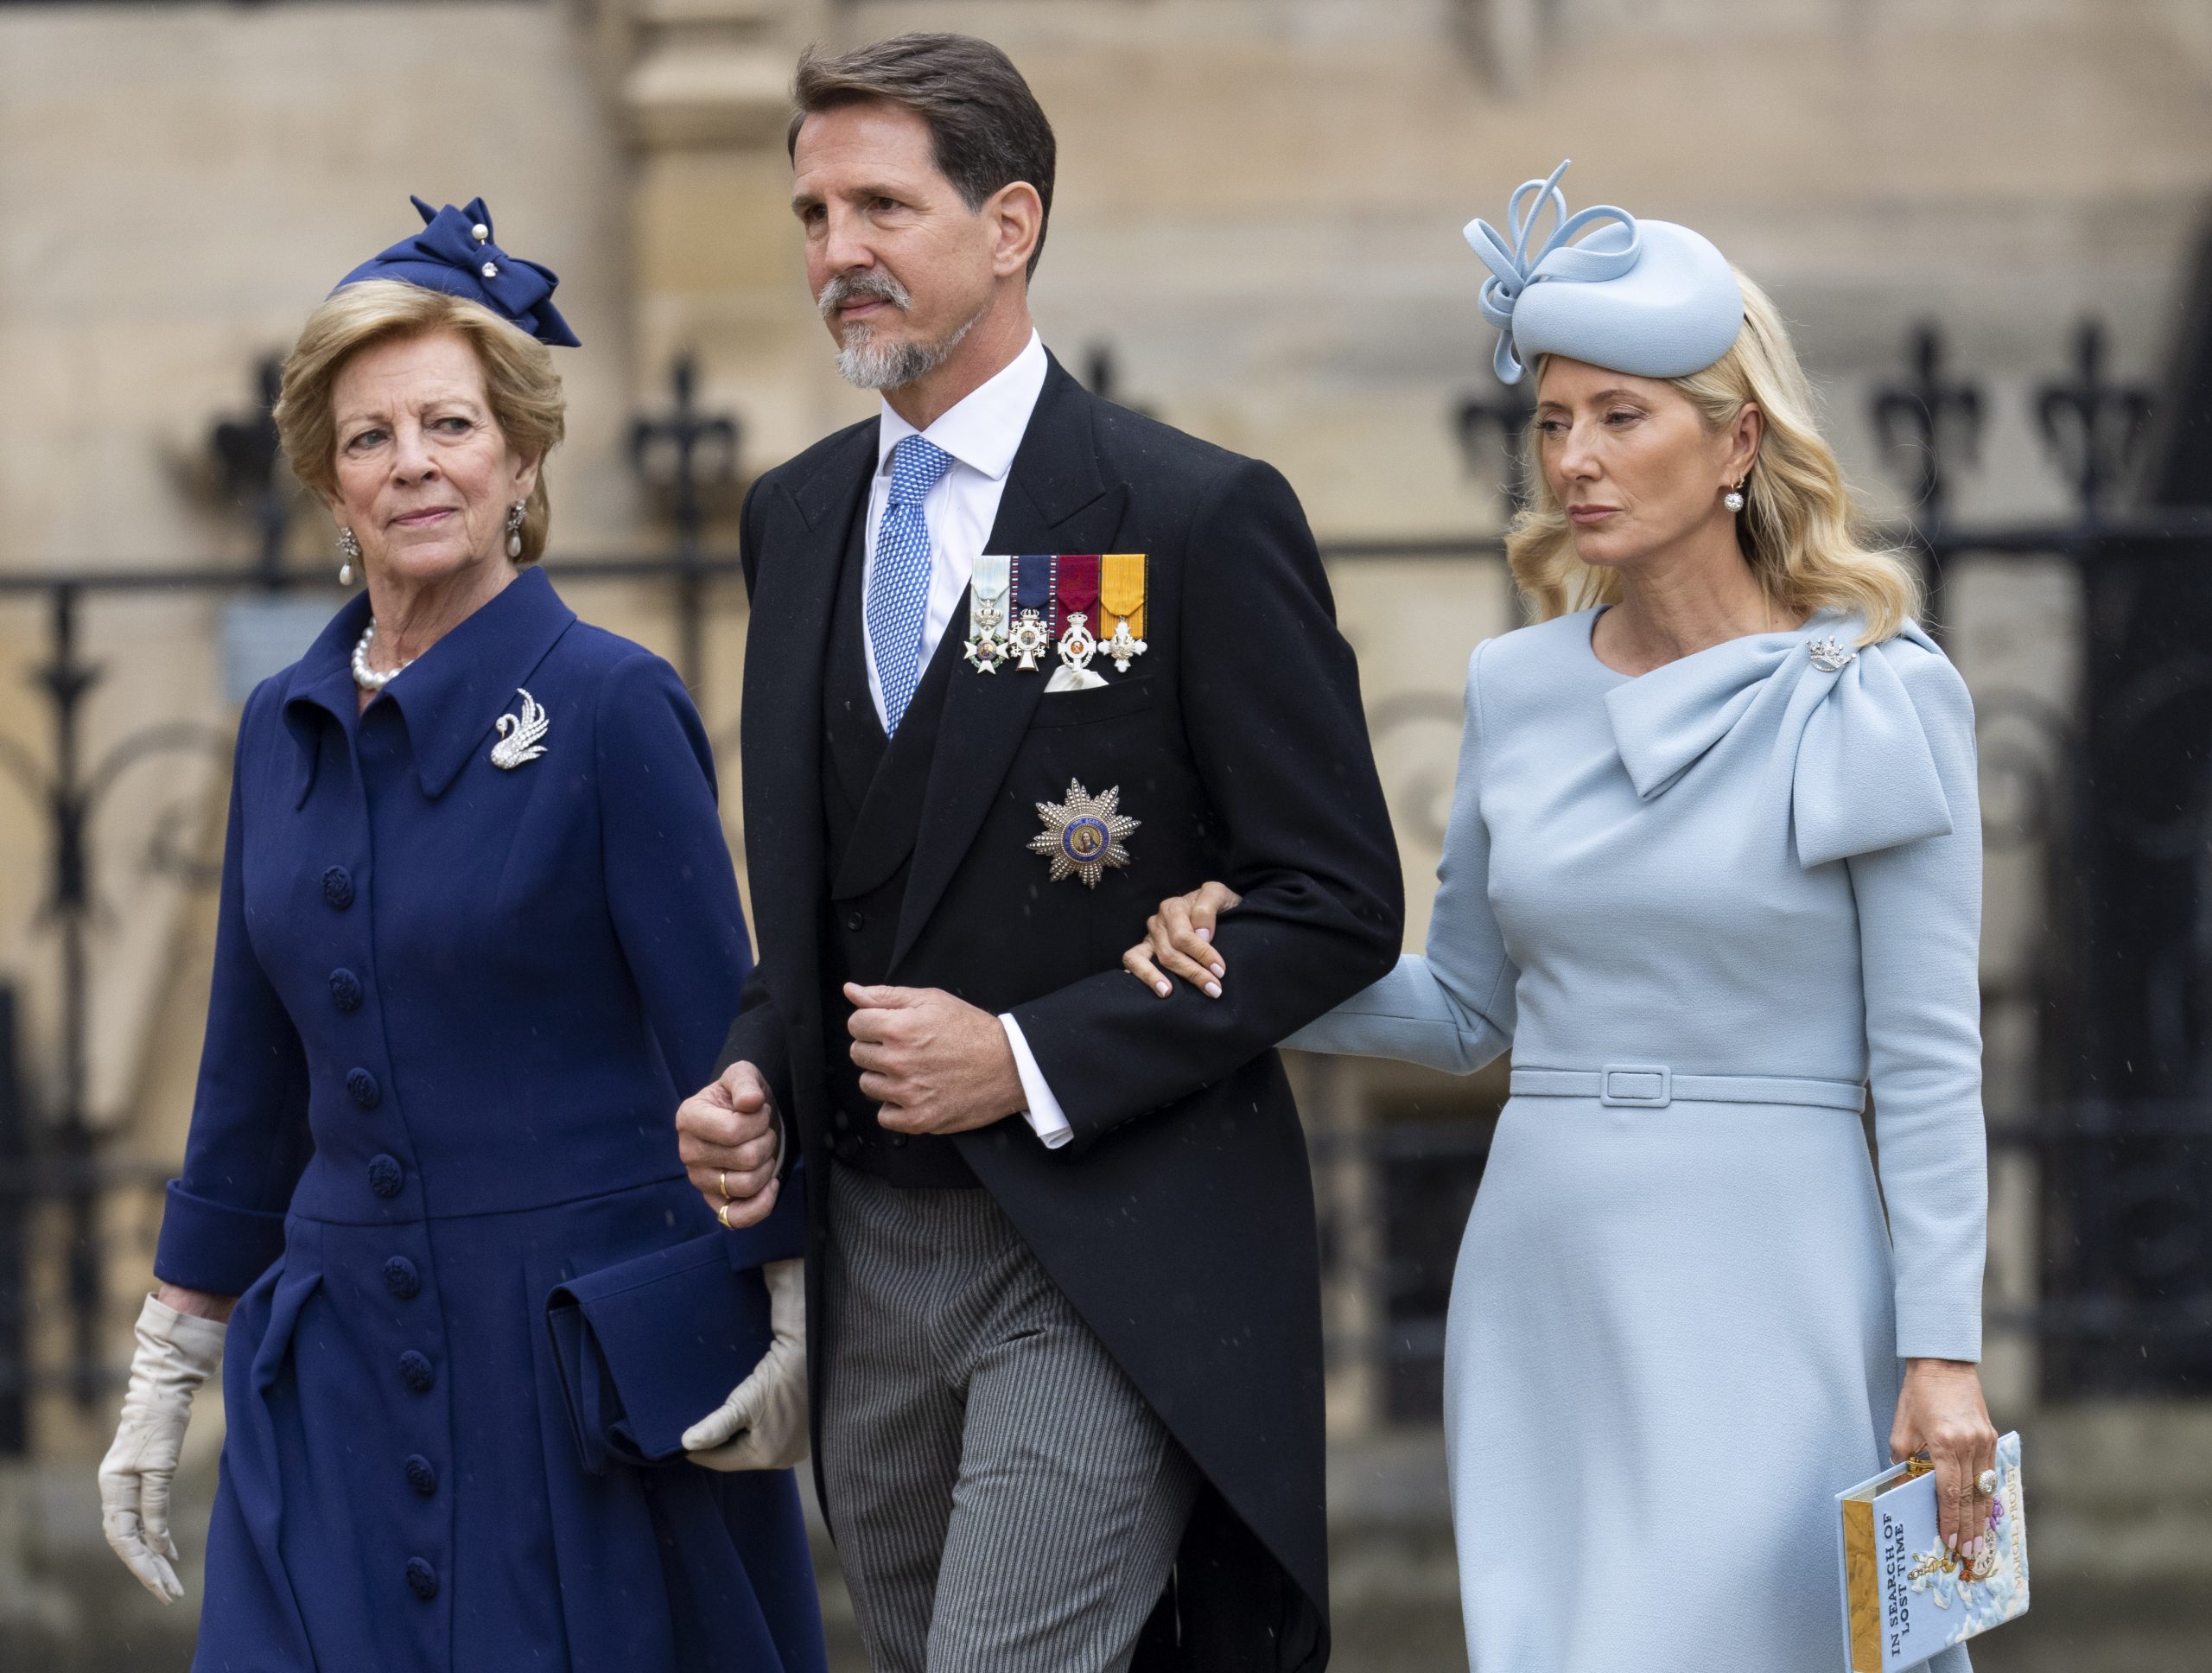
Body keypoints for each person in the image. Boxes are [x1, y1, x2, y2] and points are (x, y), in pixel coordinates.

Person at [1126, 162, 1999, 1673]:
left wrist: (1945, 1355)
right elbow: (1466, 1011)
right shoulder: (1516, 686)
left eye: (1620, 416)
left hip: (1778, 1268)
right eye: (1551, 420)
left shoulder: (1875, 689)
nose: (1573, 460)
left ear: (1737, 440)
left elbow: (1928, 1058)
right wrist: (1239, 953)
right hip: (1548, 1266)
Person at [677, 33, 1402, 1673]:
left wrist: (1025, 1057)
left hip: (1109, 1248)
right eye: (812, 214)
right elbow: (843, 892)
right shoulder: (795, 518)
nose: (837, 253)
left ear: (1012, 225)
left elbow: (1337, 900)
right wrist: (751, 1075)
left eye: (882, 206)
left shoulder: (1188, 514)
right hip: (871, 1258)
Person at [96, 197, 827, 1673]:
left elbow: (735, 1049)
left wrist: (794, 1297)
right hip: (338, 1384)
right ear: (328, 479)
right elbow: (248, 1081)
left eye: (450, 424)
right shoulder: (279, 724)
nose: (413, 462)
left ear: (522, 460)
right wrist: (169, 1362)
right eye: (370, 436)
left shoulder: (612, 703)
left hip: (576, 1374)